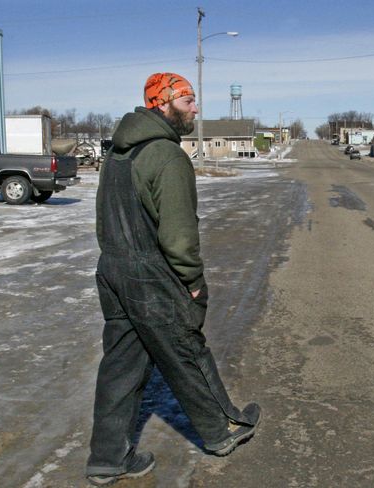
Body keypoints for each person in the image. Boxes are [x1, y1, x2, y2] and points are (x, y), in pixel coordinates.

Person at [86, 72, 260, 486]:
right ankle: (224, 430)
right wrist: (192, 280)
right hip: (152, 274)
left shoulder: (117, 153)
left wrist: (119, 265)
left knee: (122, 365)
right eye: (187, 102)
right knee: (185, 348)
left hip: (113, 269)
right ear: (162, 104)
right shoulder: (166, 155)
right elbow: (179, 233)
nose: (195, 109)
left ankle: (107, 458)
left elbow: (103, 218)